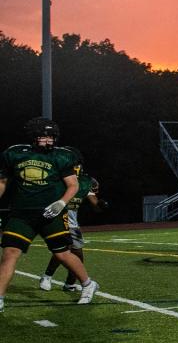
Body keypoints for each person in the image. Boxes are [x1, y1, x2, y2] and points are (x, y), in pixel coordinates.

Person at [0, 118, 99, 312]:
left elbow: (73, 185)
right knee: (9, 253)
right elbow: (2, 182)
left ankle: (88, 284)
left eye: (51, 136)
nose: (49, 140)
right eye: (44, 136)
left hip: (50, 213)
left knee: (62, 253)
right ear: (33, 137)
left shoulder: (62, 156)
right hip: (21, 213)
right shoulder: (14, 153)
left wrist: (61, 202)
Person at [39, 150, 108, 292]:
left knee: (75, 256)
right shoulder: (60, 179)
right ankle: (47, 276)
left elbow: (95, 204)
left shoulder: (84, 182)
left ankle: (69, 283)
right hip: (58, 219)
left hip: (73, 223)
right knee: (63, 251)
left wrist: (101, 204)